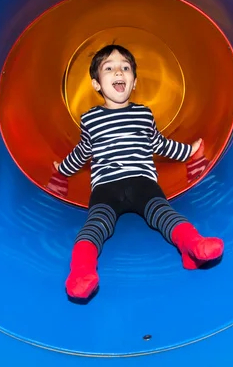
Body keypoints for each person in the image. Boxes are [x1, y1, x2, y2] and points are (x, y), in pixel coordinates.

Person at [53, 44, 224, 299]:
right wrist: (63, 169)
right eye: (109, 68)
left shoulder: (144, 114)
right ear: (97, 84)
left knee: (164, 213)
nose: (118, 72)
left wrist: (189, 152)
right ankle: (81, 272)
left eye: (125, 68)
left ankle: (193, 246)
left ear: (134, 82)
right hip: (105, 187)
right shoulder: (89, 119)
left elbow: (158, 143)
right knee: (95, 226)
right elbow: (83, 151)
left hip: (143, 182)